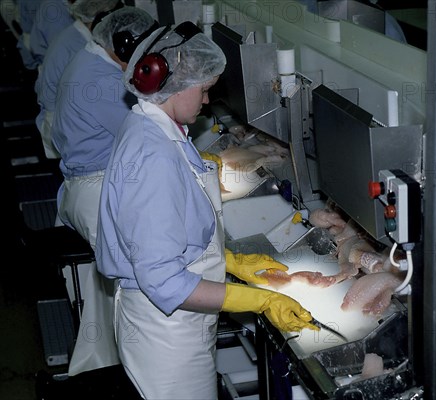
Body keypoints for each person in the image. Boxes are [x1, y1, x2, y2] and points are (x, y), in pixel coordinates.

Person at [95, 21, 318, 399]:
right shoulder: (154, 158)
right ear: (172, 84)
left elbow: (170, 237)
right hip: (167, 336)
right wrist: (260, 300)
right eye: (203, 91)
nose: (205, 102)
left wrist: (228, 260)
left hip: (178, 325)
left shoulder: (157, 129)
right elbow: (165, 283)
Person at [50, 6, 158, 377]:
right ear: (127, 46)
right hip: (93, 191)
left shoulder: (92, 60)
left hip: (87, 182)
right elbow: (152, 135)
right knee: (133, 283)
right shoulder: (104, 80)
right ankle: (118, 372)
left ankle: (116, 366)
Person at [34, 0, 122, 159]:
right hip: (59, 127)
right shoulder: (77, 46)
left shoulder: (74, 37)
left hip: (63, 119)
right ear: (100, 19)